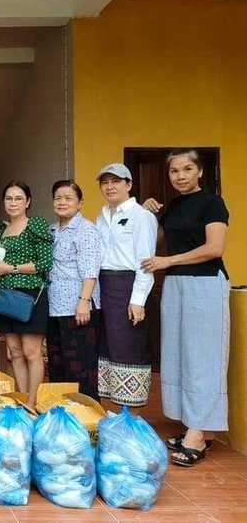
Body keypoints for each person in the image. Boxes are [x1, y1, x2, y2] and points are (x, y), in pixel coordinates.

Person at [141, 149, 230, 467]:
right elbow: (156, 242)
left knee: (203, 356)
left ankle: (198, 433)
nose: (180, 175)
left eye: (187, 169)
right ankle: (196, 426)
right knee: (178, 354)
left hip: (204, 283)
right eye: (174, 171)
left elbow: (214, 248)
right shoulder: (175, 206)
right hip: (176, 284)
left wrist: (167, 262)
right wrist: (147, 214)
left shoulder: (212, 203)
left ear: (200, 172)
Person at [95, 163, 157, 411]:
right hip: (104, 287)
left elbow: (146, 262)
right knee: (108, 348)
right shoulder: (100, 218)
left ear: (128, 185)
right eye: (105, 182)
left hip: (128, 287)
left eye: (116, 181)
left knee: (129, 349)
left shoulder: (142, 216)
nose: (110, 187)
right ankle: (113, 414)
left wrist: (138, 300)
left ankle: (130, 418)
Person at [0, 181, 53, 408]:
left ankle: (32, 403)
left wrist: (12, 269)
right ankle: (22, 400)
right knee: (15, 352)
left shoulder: (35, 224)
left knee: (31, 352)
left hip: (30, 294)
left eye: (18, 198)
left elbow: (45, 262)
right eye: (9, 198)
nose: (13, 203)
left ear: (27, 202)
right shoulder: (1, 230)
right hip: (7, 296)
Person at [46, 180, 103, 400]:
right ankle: (63, 420)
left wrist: (83, 301)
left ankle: (87, 420)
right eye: (58, 198)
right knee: (58, 364)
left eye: (68, 198)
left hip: (78, 308)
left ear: (80, 203)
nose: (62, 202)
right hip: (55, 308)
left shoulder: (86, 229)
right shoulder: (52, 230)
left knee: (81, 367)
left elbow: (91, 270)